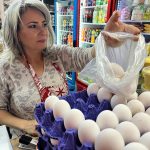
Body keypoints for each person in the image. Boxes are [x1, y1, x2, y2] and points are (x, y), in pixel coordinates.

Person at [0, 0, 140, 138]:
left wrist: (104, 40)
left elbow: (86, 56)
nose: (43, 31)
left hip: (64, 135)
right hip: (27, 140)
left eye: (44, 24)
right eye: (33, 26)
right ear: (15, 32)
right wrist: (25, 124)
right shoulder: (6, 68)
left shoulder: (56, 55)